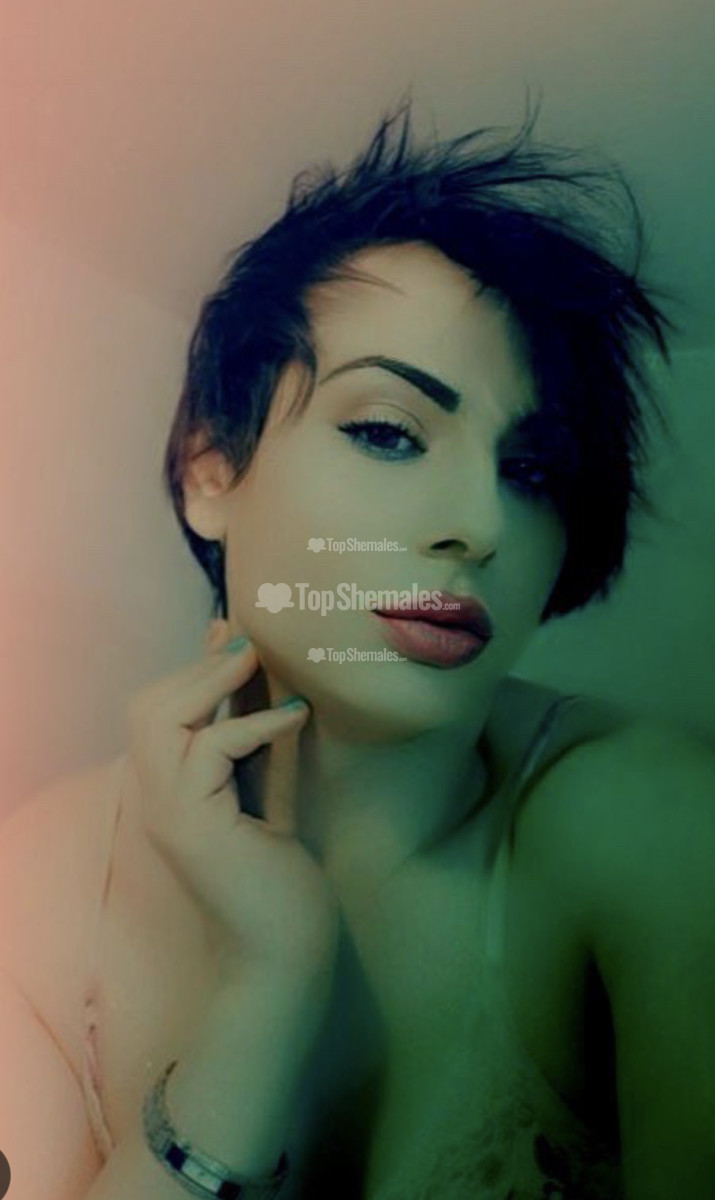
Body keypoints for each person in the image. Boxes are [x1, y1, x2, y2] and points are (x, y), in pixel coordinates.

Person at [0, 95, 713, 1200]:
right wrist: (267, 986)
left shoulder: (647, 822)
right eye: (387, 431)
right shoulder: (39, 884)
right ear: (209, 470)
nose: (480, 523)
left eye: (531, 470)